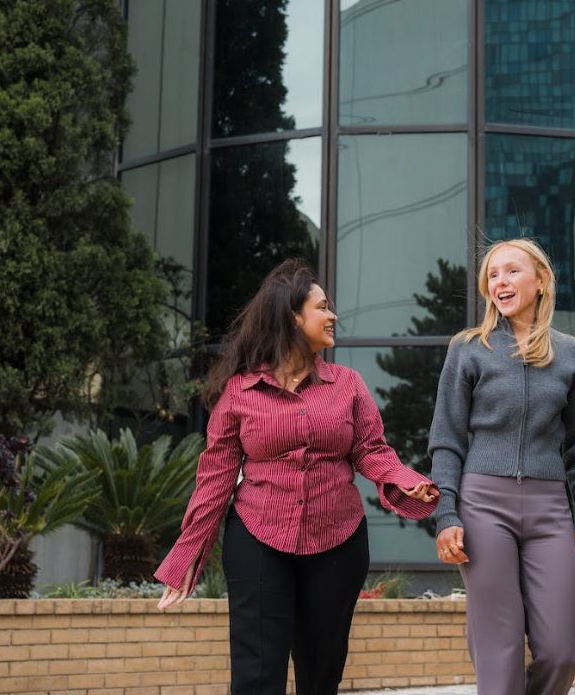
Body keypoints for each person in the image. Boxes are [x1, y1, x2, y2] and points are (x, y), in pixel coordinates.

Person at [155, 259, 438, 695]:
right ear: (293, 317)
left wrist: (403, 480)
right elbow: (215, 479)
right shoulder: (240, 391)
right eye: (323, 307)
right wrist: (185, 557)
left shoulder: (347, 384)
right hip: (257, 535)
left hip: (338, 539)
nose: (333, 316)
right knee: (257, 673)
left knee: (321, 673)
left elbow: (371, 449)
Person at [427, 238, 575, 695]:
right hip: (483, 505)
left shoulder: (571, 355)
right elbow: (446, 441)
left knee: (560, 652)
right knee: (499, 655)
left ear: (542, 280)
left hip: (549, 509)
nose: (500, 282)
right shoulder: (468, 350)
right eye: (492, 275)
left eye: (512, 271)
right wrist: (446, 513)